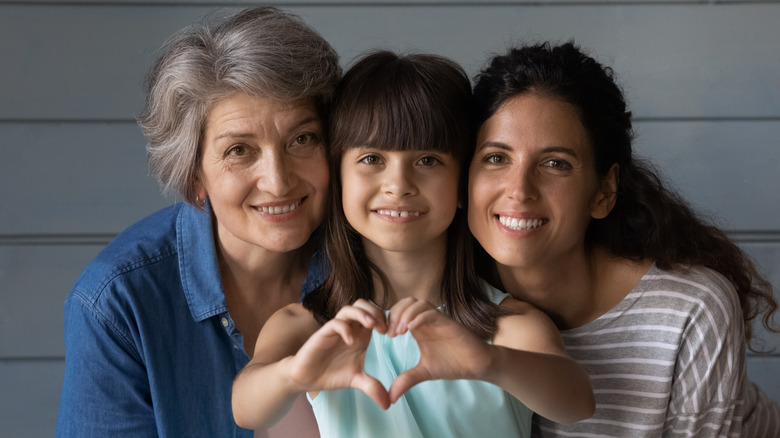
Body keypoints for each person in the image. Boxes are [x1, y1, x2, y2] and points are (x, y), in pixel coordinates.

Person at [231, 50, 595, 438]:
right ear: (339, 180)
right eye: (371, 158)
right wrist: (294, 373)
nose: (399, 185)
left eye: (427, 160)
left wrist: (489, 362)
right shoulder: (306, 327)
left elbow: (576, 402)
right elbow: (246, 409)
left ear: (462, 185)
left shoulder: (507, 326)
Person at [467, 41, 780, 437]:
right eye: (497, 158)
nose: (519, 189)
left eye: (555, 164)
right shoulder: (448, 300)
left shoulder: (690, 309)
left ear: (603, 192)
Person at [55, 6, 340, 437]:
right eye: (239, 150)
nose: (278, 180)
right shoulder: (116, 303)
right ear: (194, 177)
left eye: (302, 139)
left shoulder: (374, 258)